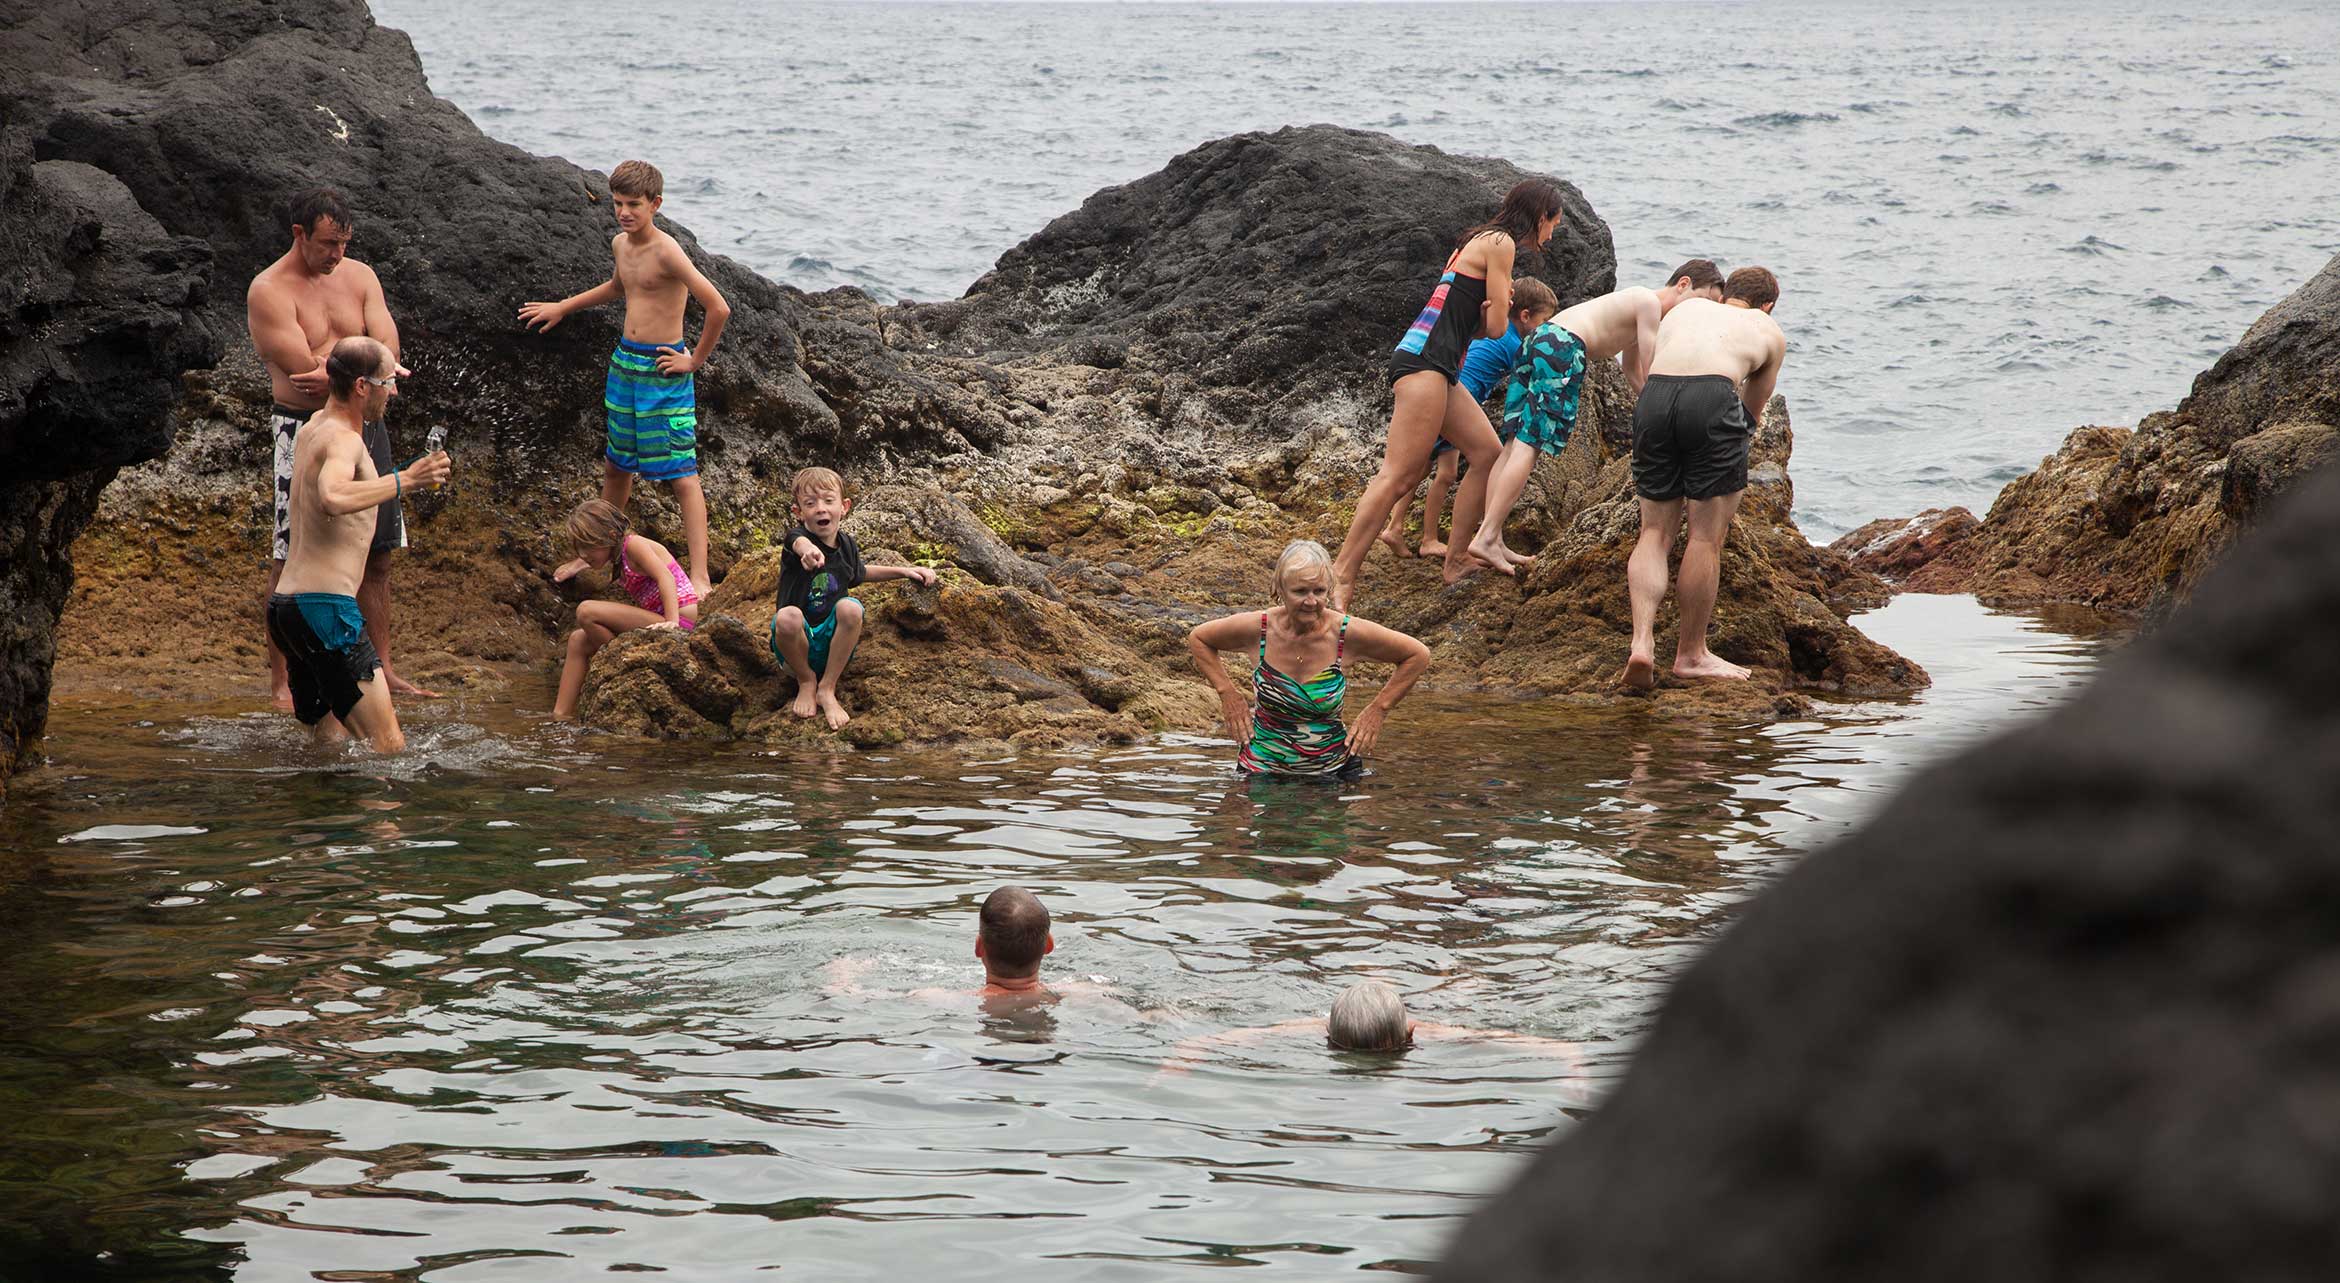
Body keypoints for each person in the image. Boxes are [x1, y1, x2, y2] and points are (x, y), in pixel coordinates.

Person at [1331, 179, 1568, 609]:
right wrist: (1499, 307)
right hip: (1424, 362)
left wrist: (1492, 312)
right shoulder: (1500, 244)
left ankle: (1457, 558)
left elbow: (1476, 327)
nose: (1552, 234)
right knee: (1398, 475)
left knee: (1486, 452)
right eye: (1553, 223)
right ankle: (1341, 575)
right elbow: (1497, 329)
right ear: (1540, 215)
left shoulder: (1476, 241)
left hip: (1441, 365)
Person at [247, 188, 436, 706]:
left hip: (364, 425)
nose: (337, 255)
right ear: (299, 234)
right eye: (328, 244)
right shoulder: (269, 289)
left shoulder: (361, 277)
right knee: (289, 552)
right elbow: (306, 373)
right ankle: (282, 682)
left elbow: (386, 348)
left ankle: (383, 668)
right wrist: (359, 362)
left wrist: (350, 362)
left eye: (344, 244)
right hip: (300, 429)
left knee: (377, 554)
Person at [520, 159, 732, 597]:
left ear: (655, 203)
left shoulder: (668, 250)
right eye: (618, 203)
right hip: (625, 366)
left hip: (663, 369)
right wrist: (563, 306)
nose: (624, 212)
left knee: (681, 474)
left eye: (634, 204)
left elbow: (718, 307)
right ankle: (595, 549)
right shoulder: (621, 244)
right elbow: (619, 287)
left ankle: (700, 574)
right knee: (617, 464)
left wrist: (693, 361)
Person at [1468, 260, 1728, 575]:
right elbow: (1652, 366)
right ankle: (1487, 535)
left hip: (1541, 339)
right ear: (1683, 283)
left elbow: (1633, 372)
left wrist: (1650, 405)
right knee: (1529, 444)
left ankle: (1490, 535)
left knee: (1513, 443)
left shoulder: (1637, 304)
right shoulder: (1648, 303)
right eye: (1704, 301)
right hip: (1563, 348)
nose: (1703, 311)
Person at [266, 338, 450, 753]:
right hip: (326, 608)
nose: (394, 391)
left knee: (331, 740)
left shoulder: (313, 427)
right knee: (388, 746)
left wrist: (402, 475)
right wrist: (407, 480)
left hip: (288, 610)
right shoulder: (344, 440)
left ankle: (322, 817)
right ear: (363, 387)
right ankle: (382, 819)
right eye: (388, 381)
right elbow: (333, 496)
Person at [1623, 266, 1787, 690]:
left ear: (1726, 293)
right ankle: (1691, 654)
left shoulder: (1686, 309)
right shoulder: (1766, 327)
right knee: (1703, 537)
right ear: (1767, 304)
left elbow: (1647, 361)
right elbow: (1753, 407)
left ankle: (1642, 643)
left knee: (1654, 532)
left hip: (1655, 397)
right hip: (1713, 397)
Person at [1186, 539, 1432, 779]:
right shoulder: (1258, 628)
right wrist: (1228, 694)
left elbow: (1417, 654)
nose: (1311, 601)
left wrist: (1378, 709)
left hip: (1334, 773)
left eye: (1320, 591)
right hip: (1261, 771)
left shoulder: (1345, 634)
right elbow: (1199, 638)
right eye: (1300, 591)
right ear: (1279, 590)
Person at [1376, 278, 1561, 561]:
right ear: (1525, 316)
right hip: (1455, 402)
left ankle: (1395, 527)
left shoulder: (1498, 335)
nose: (1545, 328)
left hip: (1448, 394)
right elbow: (1533, 371)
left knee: (1421, 466)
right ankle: (1428, 539)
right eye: (1544, 321)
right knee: (1446, 473)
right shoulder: (1512, 342)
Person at [767, 467, 939, 730]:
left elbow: (860, 574)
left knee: (850, 607)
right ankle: (807, 680)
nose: (821, 509)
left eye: (828, 501)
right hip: (794, 649)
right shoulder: (797, 539)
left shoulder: (846, 545)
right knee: (788, 616)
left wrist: (904, 571)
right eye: (810, 504)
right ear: (798, 513)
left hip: (831, 647)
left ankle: (827, 687)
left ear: (844, 506)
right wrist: (809, 552)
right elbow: (799, 544)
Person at [1163, 980, 1581, 1066]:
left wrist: (1179, 1060)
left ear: (1326, 1037)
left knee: (1464, 985)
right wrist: (1571, 1061)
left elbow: (1209, 1041)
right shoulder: (1430, 1035)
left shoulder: (1310, 1029)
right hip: (1387, 1007)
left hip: (1394, 1004)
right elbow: (1547, 1043)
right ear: (1411, 1035)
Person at [550, 498, 701, 721]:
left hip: (678, 619)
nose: (582, 554)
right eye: (578, 548)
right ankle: (560, 716)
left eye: (587, 546)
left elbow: (665, 577)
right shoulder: (619, 557)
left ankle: (617, 664)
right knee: (577, 641)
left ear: (611, 536)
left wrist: (672, 623)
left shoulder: (634, 545)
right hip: (658, 618)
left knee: (586, 611)